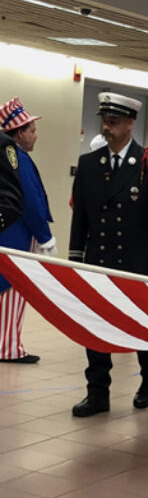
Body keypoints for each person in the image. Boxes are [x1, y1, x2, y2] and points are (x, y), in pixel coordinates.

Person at [69, 91, 148, 417]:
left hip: (138, 263)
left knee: (140, 324)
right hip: (99, 261)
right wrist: (74, 260)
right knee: (95, 326)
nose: (106, 129)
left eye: (113, 123)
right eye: (104, 122)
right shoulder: (88, 164)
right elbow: (79, 217)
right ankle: (97, 393)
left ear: (130, 124)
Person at [0, 97, 55, 364]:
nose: (36, 136)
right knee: (13, 288)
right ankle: (8, 347)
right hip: (16, 235)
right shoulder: (16, 158)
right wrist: (45, 236)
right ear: (19, 133)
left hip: (8, 233)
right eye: (32, 130)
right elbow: (30, 200)